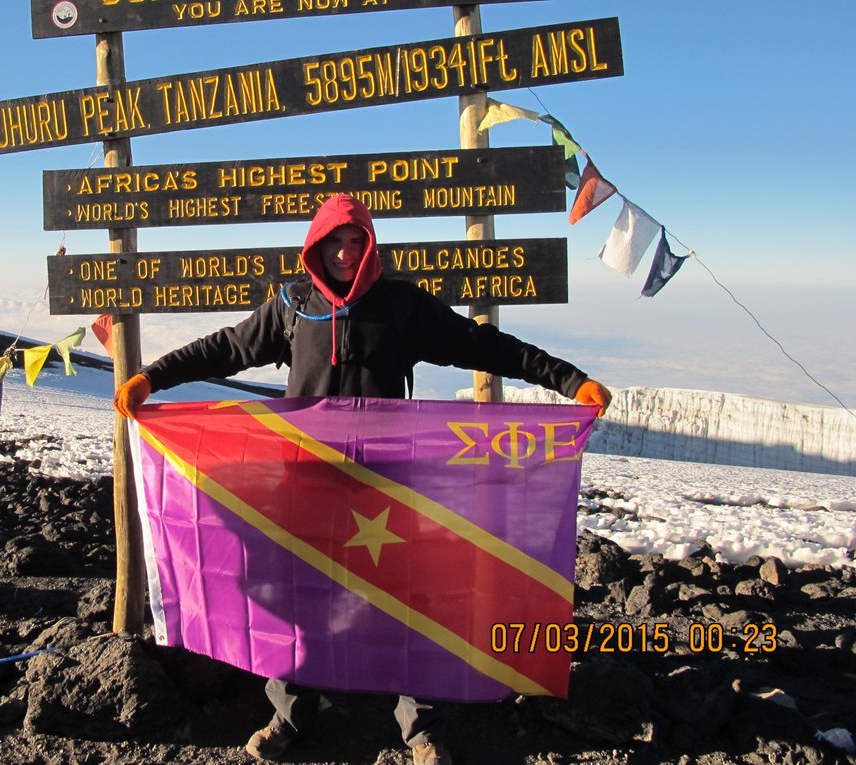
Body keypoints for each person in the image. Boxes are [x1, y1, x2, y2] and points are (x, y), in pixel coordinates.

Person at [114, 194, 611, 765]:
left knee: (407, 595)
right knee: (299, 592)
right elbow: (227, 347)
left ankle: (419, 725)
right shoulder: (292, 305)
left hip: (389, 481)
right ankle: (291, 714)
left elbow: (480, 345)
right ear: (316, 247)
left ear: (370, 245)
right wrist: (152, 378)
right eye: (335, 243)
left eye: (356, 242)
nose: (346, 254)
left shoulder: (400, 304)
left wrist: (570, 381)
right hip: (305, 480)